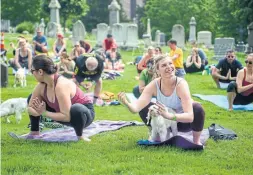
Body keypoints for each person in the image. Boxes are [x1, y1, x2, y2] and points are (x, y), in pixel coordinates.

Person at [118, 55, 205, 145]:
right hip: (163, 123)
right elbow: (136, 108)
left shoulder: (181, 84)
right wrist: (127, 104)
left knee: (197, 108)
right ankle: (157, 134)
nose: (169, 67)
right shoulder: (154, 84)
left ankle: (196, 141)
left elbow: (190, 117)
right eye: (164, 65)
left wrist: (169, 115)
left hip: (183, 124)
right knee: (146, 107)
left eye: (170, 63)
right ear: (158, 71)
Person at [27, 55, 94, 141]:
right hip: (63, 114)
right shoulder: (41, 86)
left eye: (32, 71)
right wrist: (37, 112)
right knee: (32, 98)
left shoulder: (61, 86)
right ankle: (34, 132)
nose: (32, 73)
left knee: (76, 108)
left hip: (83, 115)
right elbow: (30, 108)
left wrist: (43, 113)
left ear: (40, 72)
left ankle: (80, 136)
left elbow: (67, 117)